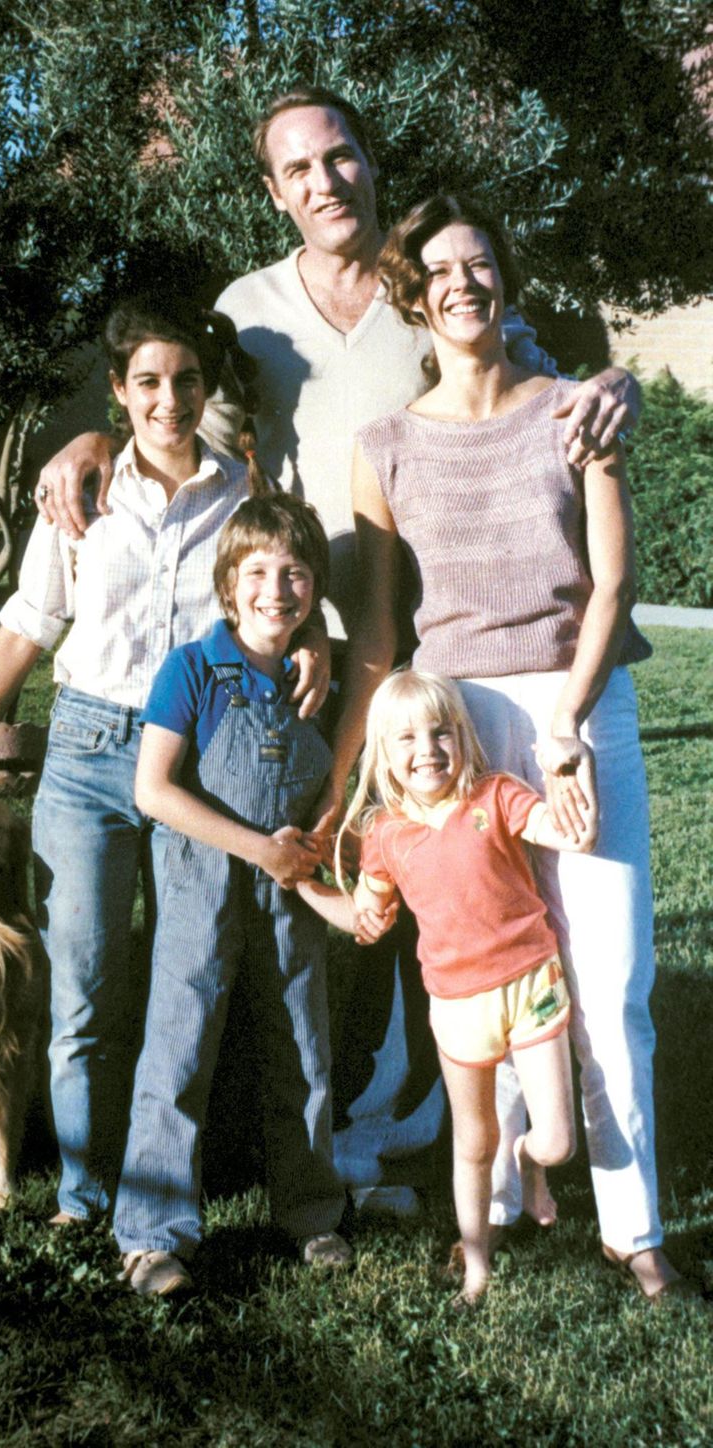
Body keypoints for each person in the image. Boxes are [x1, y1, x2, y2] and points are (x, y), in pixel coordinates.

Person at [34, 87, 641, 1215]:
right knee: (343, 863)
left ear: (370, 161)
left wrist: (624, 384)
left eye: (340, 158)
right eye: (298, 170)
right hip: (319, 638)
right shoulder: (248, 311)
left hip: (456, 622)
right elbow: (182, 436)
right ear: (274, 191)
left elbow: (553, 383)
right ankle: (357, 1096)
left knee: (480, 857)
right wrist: (87, 437)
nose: (324, 182)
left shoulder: (428, 281)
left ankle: (444, 1092)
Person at [323, 191, 693, 1301]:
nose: (464, 284)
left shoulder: (577, 410)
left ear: (505, 278)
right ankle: (487, 1203)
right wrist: (351, 777)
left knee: (611, 970)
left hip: (579, 706)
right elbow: (384, 632)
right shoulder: (381, 448)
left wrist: (571, 719)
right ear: (412, 294)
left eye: (480, 264)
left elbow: (616, 580)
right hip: (454, 725)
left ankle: (637, 1231)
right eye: (440, 271)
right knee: (486, 961)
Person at [0, 293, 323, 1227]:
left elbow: (274, 597)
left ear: (205, 388)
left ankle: (173, 1180)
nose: (169, 401)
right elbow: (27, 625)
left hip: (203, 760)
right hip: (90, 755)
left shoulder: (243, 498)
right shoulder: (82, 492)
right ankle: (84, 1191)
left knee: (193, 984)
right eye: (148, 382)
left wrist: (320, 643)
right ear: (119, 390)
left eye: (185, 381)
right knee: (84, 991)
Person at [114, 493, 350, 1297]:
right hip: (200, 883)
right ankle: (151, 1236)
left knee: (303, 1051)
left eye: (294, 573)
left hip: (294, 893)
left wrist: (308, 859)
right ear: (226, 586)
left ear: (315, 588)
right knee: (178, 1049)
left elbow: (339, 778)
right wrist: (260, 850)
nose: (275, 590)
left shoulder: (320, 677)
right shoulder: (192, 668)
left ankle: (314, 1214)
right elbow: (153, 790)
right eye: (256, 573)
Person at [301, 670, 595, 1306]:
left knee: (557, 1139)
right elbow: (365, 921)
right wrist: (302, 883)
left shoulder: (497, 797)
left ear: (462, 736)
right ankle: (476, 1267)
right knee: (473, 1140)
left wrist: (573, 772)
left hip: (530, 983)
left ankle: (532, 1164)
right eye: (406, 737)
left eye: (441, 732)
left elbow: (571, 832)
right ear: (383, 754)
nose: (427, 749)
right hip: (459, 1006)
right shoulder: (387, 837)